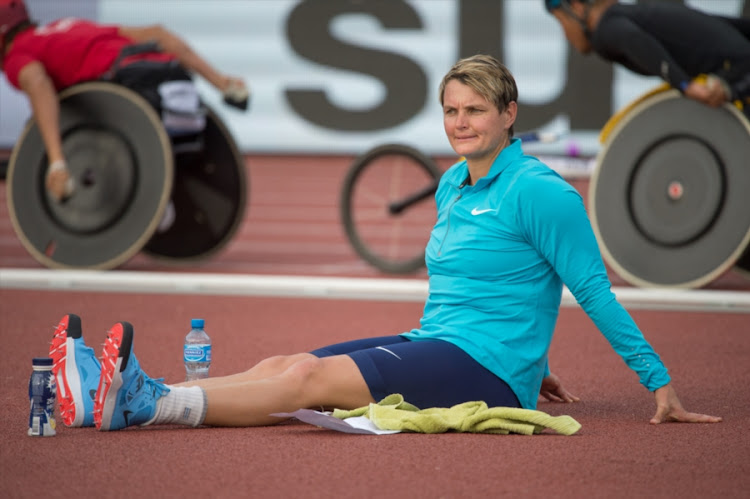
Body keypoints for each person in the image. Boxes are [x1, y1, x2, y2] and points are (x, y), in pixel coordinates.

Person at [49, 55, 721, 432]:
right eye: (451, 110)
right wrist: (532, 349)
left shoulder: (541, 192)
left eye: (476, 110)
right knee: (288, 361)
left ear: (510, 114)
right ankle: (136, 390)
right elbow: (486, 285)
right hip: (442, 340)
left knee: (307, 382)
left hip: (484, 369)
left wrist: (657, 380)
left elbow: (593, 290)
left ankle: (144, 404)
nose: (460, 123)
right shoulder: (454, 183)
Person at [0, 0, 249, 201]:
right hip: (174, 77)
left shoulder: (17, 56)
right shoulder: (66, 26)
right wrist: (221, 83)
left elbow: (37, 84)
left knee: (53, 125)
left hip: (131, 84)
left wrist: (57, 162)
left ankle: (147, 199)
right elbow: (158, 35)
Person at [544, 0, 750, 110]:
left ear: (577, 8)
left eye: (562, 22)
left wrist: (686, 86)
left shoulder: (605, 29)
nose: (565, 34)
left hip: (736, 68)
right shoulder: (633, 14)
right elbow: (709, 23)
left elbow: (632, 39)